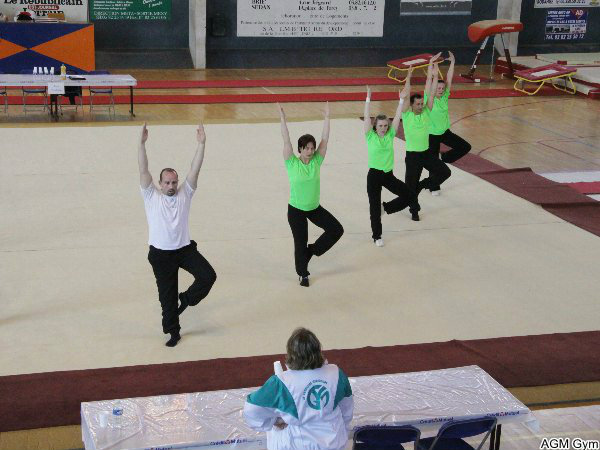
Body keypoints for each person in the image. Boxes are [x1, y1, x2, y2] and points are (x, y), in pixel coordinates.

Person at [138, 122, 217, 347]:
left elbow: (195, 168)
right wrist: (141, 144)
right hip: (161, 255)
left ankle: (187, 298)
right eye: (167, 183)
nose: (171, 186)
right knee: (167, 298)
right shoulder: (151, 196)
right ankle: (173, 331)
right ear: (160, 184)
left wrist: (202, 144)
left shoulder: (185, 193)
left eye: (174, 182)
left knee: (208, 276)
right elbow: (143, 170)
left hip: (184, 250)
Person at [244, 327, 354, 450]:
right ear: (318, 350)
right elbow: (347, 410)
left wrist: (273, 422)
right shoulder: (336, 373)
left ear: (291, 354)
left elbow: (251, 410)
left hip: (298, 445)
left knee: (275, 430)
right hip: (334, 443)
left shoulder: (281, 383)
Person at [278, 103, 344, 287]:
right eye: (306, 148)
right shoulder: (292, 163)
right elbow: (286, 140)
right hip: (296, 210)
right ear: (300, 149)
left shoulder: (317, 161)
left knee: (336, 230)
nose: (310, 150)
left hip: (314, 208)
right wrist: (283, 119)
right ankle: (303, 273)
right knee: (300, 242)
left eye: (312, 147)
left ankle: (312, 251)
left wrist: (327, 118)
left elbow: (325, 138)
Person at [401, 55, 451, 221]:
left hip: (426, 153)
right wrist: (408, 77)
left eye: (422, 103)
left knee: (445, 172)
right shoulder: (407, 115)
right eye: (418, 104)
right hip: (413, 156)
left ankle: (425, 184)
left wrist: (435, 74)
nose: (421, 106)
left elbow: (430, 90)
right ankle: (414, 210)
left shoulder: (427, 112)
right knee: (410, 187)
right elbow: (407, 95)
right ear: (412, 105)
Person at [363, 85, 414, 247]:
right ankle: (377, 236)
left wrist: (401, 100)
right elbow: (366, 117)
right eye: (380, 126)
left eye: (385, 125)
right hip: (374, 176)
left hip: (388, 175)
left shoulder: (391, 134)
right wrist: (368, 98)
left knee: (409, 195)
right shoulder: (370, 136)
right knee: (374, 208)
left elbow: (398, 117)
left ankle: (386, 208)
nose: (384, 128)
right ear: (375, 126)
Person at [425, 51, 472, 196]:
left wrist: (452, 62)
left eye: (442, 88)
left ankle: (444, 157)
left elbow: (449, 79)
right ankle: (434, 186)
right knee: (434, 165)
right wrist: (431, 64)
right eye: (438, 88)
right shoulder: (429, 97)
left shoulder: (445, 96)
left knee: (465, 147)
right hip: (432, 135)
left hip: (445, 133)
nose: (440, 90)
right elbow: (428, 80)